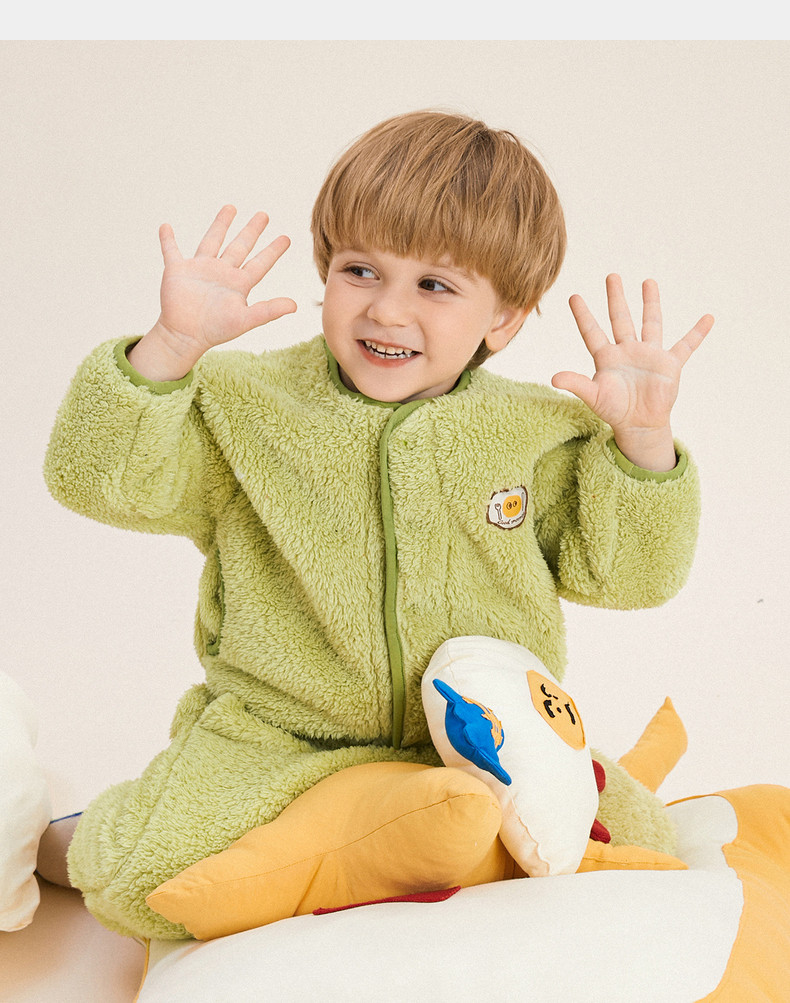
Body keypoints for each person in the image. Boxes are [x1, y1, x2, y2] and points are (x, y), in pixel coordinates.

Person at [39, 110, 712, 940]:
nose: (386, 311)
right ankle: (62, 834)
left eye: (435, 285)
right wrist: (170, 349)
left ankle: (401, 841)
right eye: (360, 270)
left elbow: (631, 577)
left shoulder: (538, 431)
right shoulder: (245, 404)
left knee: (643, 845)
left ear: (503, 319)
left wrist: (641, 444)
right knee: (144, 878)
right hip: (279, 744)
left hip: (486, 743)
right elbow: (94, 479)